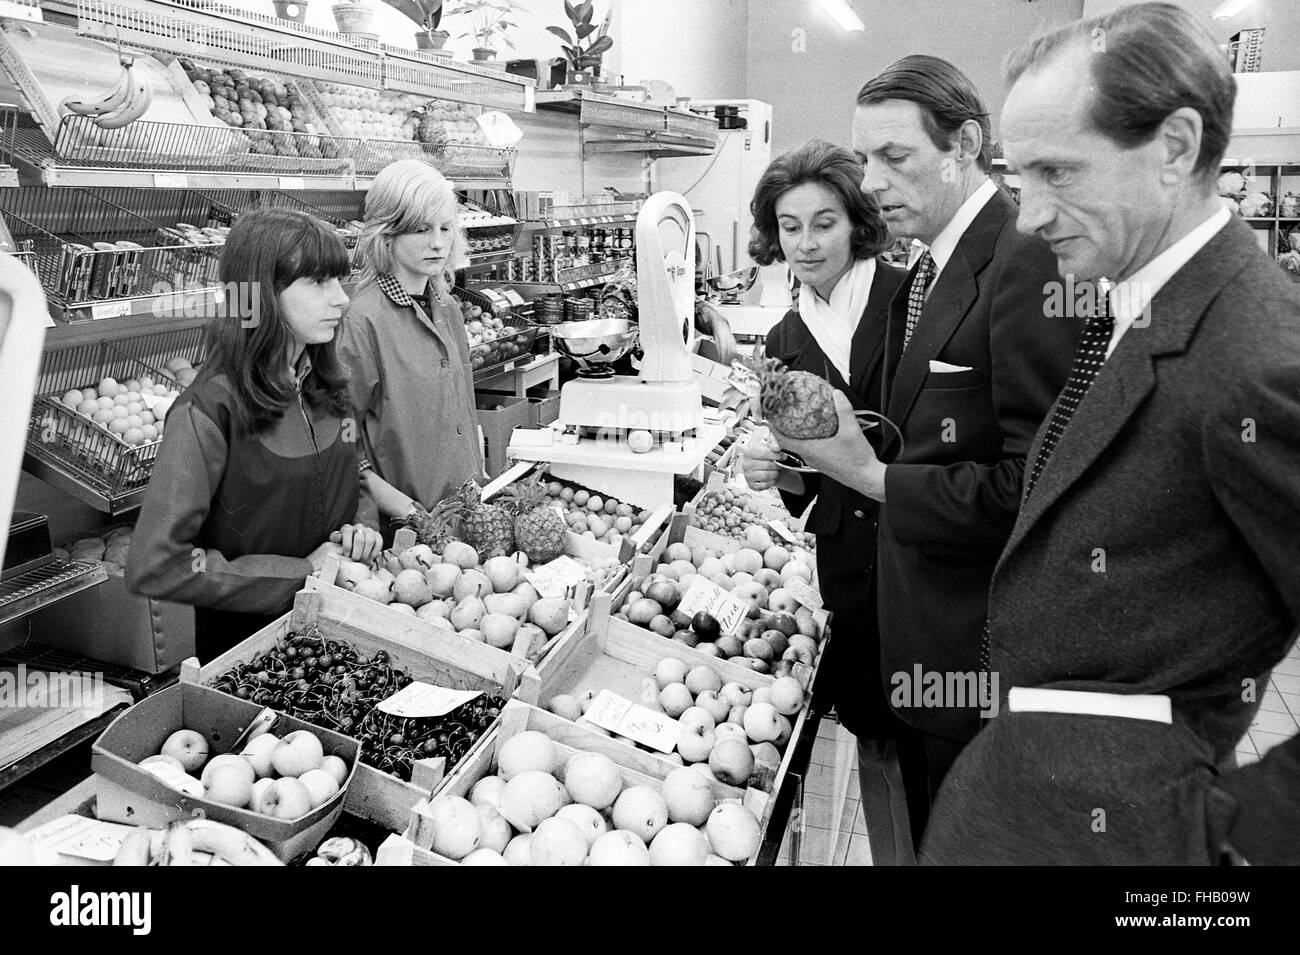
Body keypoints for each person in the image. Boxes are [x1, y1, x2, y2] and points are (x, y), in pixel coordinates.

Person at [919, 2, 1300, 865]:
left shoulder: (1257, 354)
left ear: (1174, 147)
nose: (1028, 215)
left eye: (1058, 172)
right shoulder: (1141, 302)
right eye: (1019, 178)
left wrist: (1217, 847)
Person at [772, 57, 1079, 858]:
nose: (871, 182)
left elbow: (1041, 488)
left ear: (965, 144)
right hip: (914, 642)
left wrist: (870, 476)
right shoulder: (928, 272)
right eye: (864, 158)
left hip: (974, 653)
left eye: (895, 157)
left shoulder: (1025, 260)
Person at [735, 139, 908, 861]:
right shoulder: (783, 339)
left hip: (927, 548)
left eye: (824, 222)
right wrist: (773, 471)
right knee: (875, 732)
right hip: (850, 565)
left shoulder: (914, 301)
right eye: (789, 225)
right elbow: (808, 485)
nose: (805, 242)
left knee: (940, 737)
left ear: (857, 221)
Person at [128, 209, 382, 662]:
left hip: (345, 634)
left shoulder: (329, 386)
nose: (342, 300)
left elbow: (351, 478)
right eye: (319, 282)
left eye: (340, 281)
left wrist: (362, 526)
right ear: (262, 295)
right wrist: (299, 573)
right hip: (255, 658)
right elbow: (157, 565)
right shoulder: (208, 411)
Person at [337, 159, 484, 539]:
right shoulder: (361, 321)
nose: (438, 243)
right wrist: (412, 515)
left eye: (446, 228)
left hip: (464, 518)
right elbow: (340, 447)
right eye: (421, 229)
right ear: (387, 234)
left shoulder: (446, 306)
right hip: (404, 535)